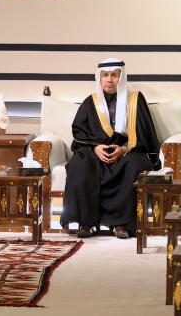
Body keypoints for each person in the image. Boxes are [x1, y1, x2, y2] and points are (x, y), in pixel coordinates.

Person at [60, 58, 160, 239]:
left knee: (136, 165)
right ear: (99, 78)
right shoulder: (91, 102)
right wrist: (95, 147)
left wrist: (123, 149)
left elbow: (145, 132)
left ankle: (121, 223)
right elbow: (79, 131)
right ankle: (87, 223)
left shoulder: (135, 100)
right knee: (79, 164)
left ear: (122, 77)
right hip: (95, 151)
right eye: (105, 75)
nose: (109, 80)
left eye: (114, 75)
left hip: (127, 150)